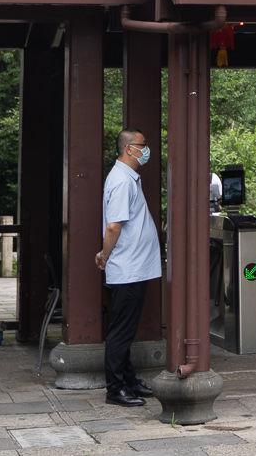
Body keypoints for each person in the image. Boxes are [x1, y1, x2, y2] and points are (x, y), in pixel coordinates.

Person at [96, 129, 161, 407]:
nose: (146, 150)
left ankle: (129, 379)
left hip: (136, 265)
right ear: (129, 149)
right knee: (121, 330)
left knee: (127, 328)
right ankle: (116, 388)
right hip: (128, 266)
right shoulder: (122, 181)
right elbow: (114, 225)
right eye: (142, 145)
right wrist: (105, 254)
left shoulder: (129, 179)